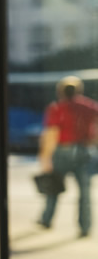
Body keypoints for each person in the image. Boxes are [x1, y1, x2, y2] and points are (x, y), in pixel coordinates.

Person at [37, 76, 98, 237]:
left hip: (63, 151)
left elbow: (52, 134)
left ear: (61, 91)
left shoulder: (57, 108)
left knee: (54, 187)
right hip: (84, 151)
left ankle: (47, 218)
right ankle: (85, 226)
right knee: (84, 192)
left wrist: (45, 156)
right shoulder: (90, 106)